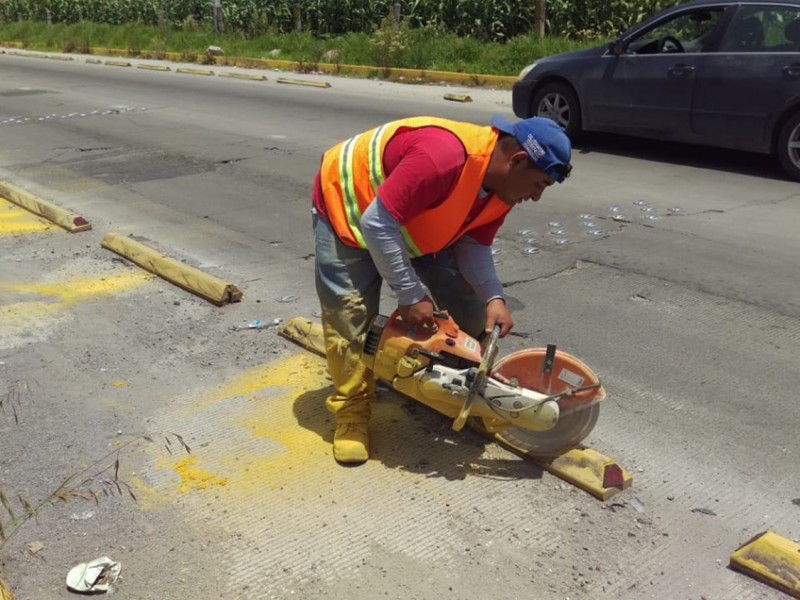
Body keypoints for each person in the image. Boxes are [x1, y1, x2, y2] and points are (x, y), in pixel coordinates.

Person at [311, 114, 572, 464]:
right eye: (538, 184)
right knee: (350, 316)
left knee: (470, 306)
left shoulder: (502, 188)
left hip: (414, 219)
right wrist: (410, 294)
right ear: (517, 161)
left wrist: (493, 296)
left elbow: (474, 246)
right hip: (351, 206)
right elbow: (376, 223)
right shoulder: (443, 158)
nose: (536, 197)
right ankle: (352, 413)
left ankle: (465, 387)